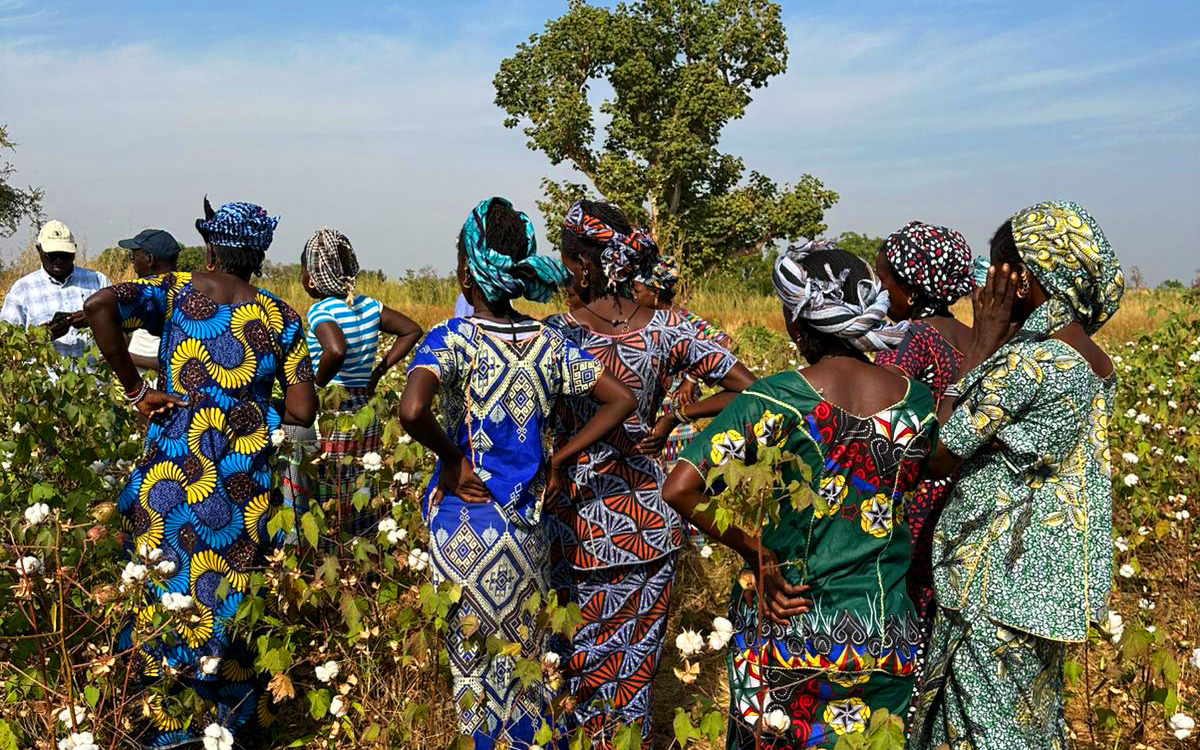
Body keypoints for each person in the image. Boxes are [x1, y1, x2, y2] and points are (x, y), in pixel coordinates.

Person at [662, 241, 935, 749]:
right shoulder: (915, 401)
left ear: (794, 324)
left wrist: (756, 552)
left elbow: (681, 487)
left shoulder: (776, 397)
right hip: (885, 631)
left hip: (788, 626)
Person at [398, 197, 636, 750]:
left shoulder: (451, 339)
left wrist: (454, 460)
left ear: (465, 273)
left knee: (475, 676)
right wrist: (559, 457)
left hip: (465, 528)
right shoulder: (549, 343)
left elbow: (412, 411)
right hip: (527, 531)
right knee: (526, 673)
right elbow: (620, 399)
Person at [83, 198, 317, 746]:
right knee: (229, 610)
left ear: (211, 247)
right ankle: (230, 730)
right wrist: (251, 409)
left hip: (167, 481)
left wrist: (138, 390)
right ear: (258, 255)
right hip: (244, 494)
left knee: (158, 602)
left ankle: (157, 727)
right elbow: (303, 412)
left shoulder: (175, 292)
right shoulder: (283, 318)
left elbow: (99, 305)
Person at [911, 202, 1123, 750]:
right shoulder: (1093, 359)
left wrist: (977, 350)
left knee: (982, 731)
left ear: (1022, 279)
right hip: (1046, 586)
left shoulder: (1030, 363)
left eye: (996, 271)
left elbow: (935, 454)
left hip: (995, 583)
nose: (985, 289)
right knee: (1025, 725)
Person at [545, 200, 756, 744]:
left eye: (568, 261)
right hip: (650, 523)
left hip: (580, 523)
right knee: (635, 671)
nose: (565, 271)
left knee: (577, 666)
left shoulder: (556, 336)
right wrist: (676, 417)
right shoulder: (671, 328)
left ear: (585, 265)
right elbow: (749, 391)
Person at [872, 221, 976, 639]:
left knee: (902, 611)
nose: (880, 292)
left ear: (912, 289)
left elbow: (879, 408)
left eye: (884, 279)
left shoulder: (913, 337)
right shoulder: (975, 339)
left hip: (914, 493)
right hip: (963, 493)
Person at [300, 228, 423, 537]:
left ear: (312, 278)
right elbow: (411, 330)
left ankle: (334, 542)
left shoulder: (322, 310)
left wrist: (317, 385)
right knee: (360, 478)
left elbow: (335, 349)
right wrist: (378, 370)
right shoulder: (369, 306)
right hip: (363, 407)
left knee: (332, 479)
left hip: (333, 409)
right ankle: (362, 537)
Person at [1, 220, 109, 359]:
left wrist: (94, 319)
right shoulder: (22, 289)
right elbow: (7, 344)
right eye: (52, 254)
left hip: (94, 376)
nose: (59, 259)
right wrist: (45, 334)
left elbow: (123, 327)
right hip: (44, 379)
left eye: (65, 254)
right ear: (39, 250)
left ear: (74, 250)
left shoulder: (97, 281)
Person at [118, 228, 182, 372]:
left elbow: (175, 362)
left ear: (150, 260)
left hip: (157, 385)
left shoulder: (170, 296)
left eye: (134, 256)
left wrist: (128, 358)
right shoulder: (185, 291)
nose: (132, 261)